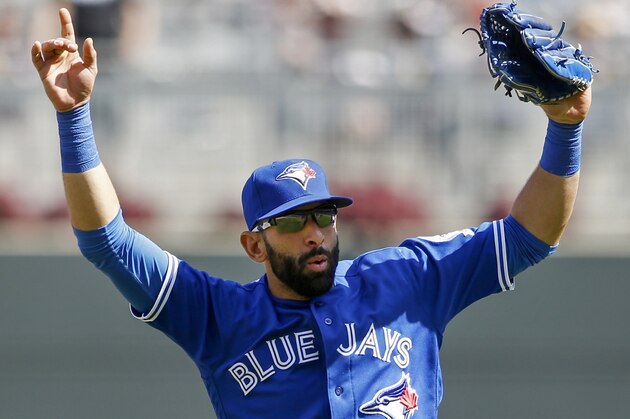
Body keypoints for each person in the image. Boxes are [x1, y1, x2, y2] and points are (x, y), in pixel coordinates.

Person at [31, 8, 591, 419]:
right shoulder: (217, 317)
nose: (315, 234)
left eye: (324, 216)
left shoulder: (408, 278)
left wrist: (567, 127)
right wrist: (74, 117)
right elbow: (107, 243)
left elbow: (528, 238)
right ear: (255, 246)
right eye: (294, 223)